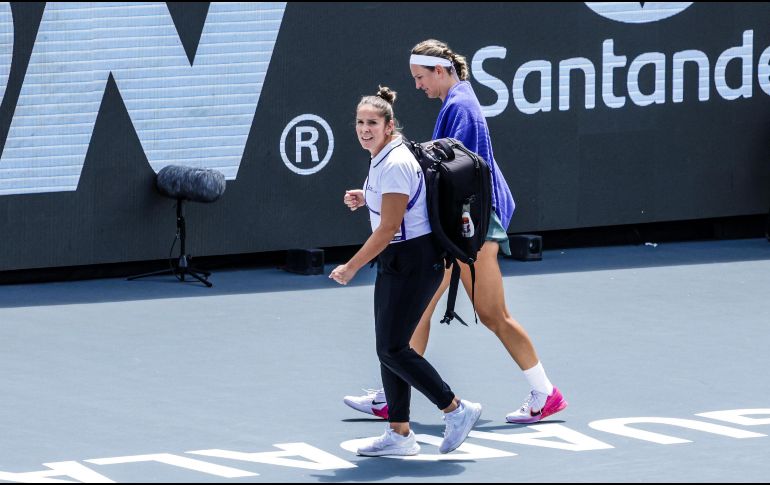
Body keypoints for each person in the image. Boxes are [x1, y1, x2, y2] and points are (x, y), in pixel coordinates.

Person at [344, 40, 567, 425]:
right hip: (456, 228)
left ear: (441, 71)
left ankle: (545, 392)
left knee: (492, 313)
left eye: (420, 78)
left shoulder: (462, 107)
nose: (417, 86)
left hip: (471, 229)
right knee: (417, 313)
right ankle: (392, 395)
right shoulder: (456, 103)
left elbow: (458, 174)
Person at [330, 86, 482, 456]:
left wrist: (352, 267)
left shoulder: (395, 162)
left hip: (413, 261)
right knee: (389, 348)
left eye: (372, 123)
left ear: (389, 125)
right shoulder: (386, 154)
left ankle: (456, 409)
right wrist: (367, 196)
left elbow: (388, 229)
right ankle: (399, 435)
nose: (364, 129)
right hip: (401, 260)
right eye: (360, 122)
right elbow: (401, 203)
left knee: (395, 349)